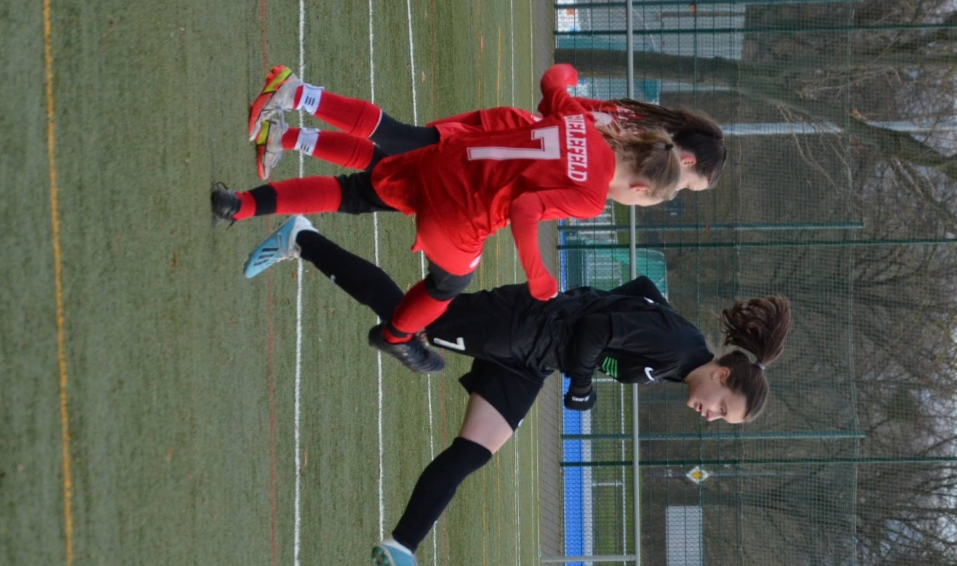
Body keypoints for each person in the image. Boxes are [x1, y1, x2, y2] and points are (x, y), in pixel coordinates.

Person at [235, 224, 791, 566]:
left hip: (534, 359)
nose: (711, 417)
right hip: (523, 327)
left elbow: (640, 291)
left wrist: (585, 321)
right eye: (722, 409)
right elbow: (600, 329)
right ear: (722, 375)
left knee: (474, 450)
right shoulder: (677, 348)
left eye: (722, 420)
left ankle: (401, 546)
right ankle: (302, 238)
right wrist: (580, 382)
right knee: (409, 318)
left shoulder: (681, 362)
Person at [213, 70, 690, 374]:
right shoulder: (590, 196)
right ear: (640, 188)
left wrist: (567, 76)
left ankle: (239, 203)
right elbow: (525, 210)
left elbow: (552, 85)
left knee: (360, 185)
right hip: (461, 209)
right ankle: (396, 336)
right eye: (641, 203)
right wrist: (538, 275)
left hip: (449, 158)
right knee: (447, 285)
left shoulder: (583, 126)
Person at [242, 61, 725, 193]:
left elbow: (561, 99)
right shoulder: (637, 140)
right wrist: (564, 94)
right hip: (501, 145)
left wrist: (564, 90)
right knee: (397, 142)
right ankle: (294, 92)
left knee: (386, 164)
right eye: (689, 185)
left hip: (507, 155)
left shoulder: (639, 130)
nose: (678, 191)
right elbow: (560, 101)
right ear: (687, 160)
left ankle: (284, 134)